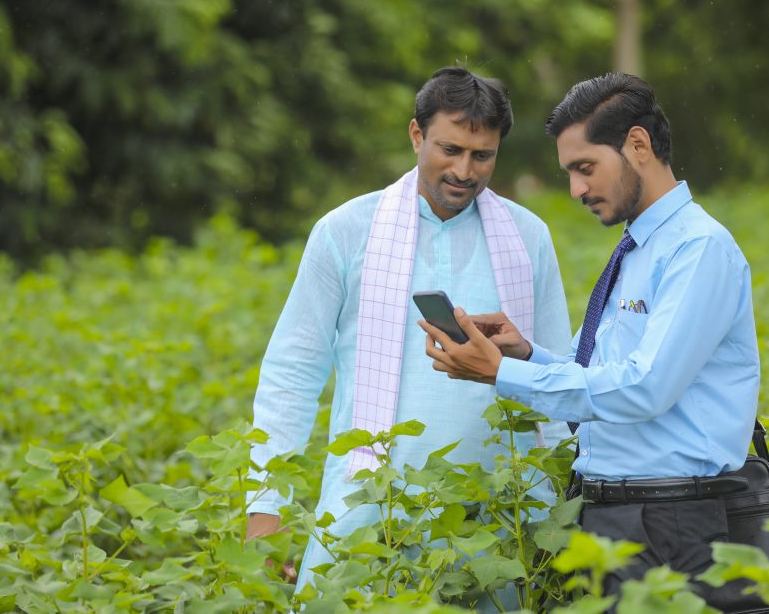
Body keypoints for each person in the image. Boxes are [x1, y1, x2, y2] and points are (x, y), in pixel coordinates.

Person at [420, 72, 760, 609]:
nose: (576, 190)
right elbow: (597, 371)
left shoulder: (698, 249)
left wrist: (500, 373)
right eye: (569, 173)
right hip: (612, 516)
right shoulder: (638, 248)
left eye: (585, 168)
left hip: (672, 522)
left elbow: (644, 388)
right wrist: (525, 353)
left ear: (638, 146)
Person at [245, 67, 573, 591]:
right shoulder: (344, 231)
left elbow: (560, 376)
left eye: (482, 155)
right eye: (449, 150)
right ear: (416, 135)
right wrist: (266, 508)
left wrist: (567, 504)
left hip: (507, 515)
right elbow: (293, 371)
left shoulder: (528, 237)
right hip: (369, 503)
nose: (464, 171)